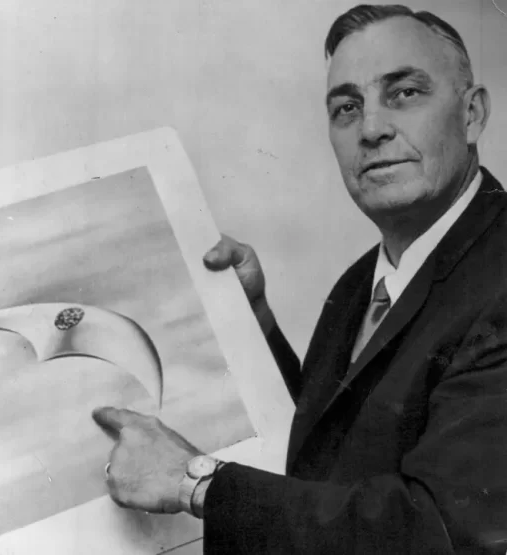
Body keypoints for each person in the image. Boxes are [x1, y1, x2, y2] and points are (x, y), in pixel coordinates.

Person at [91, 4, 507, 553]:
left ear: (472, 114)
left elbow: (441, 532)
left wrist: (195, 483)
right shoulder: (359, 283)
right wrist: (256, 326)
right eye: (347, 108)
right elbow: (333, 453)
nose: (372, 129)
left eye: (405, 93)